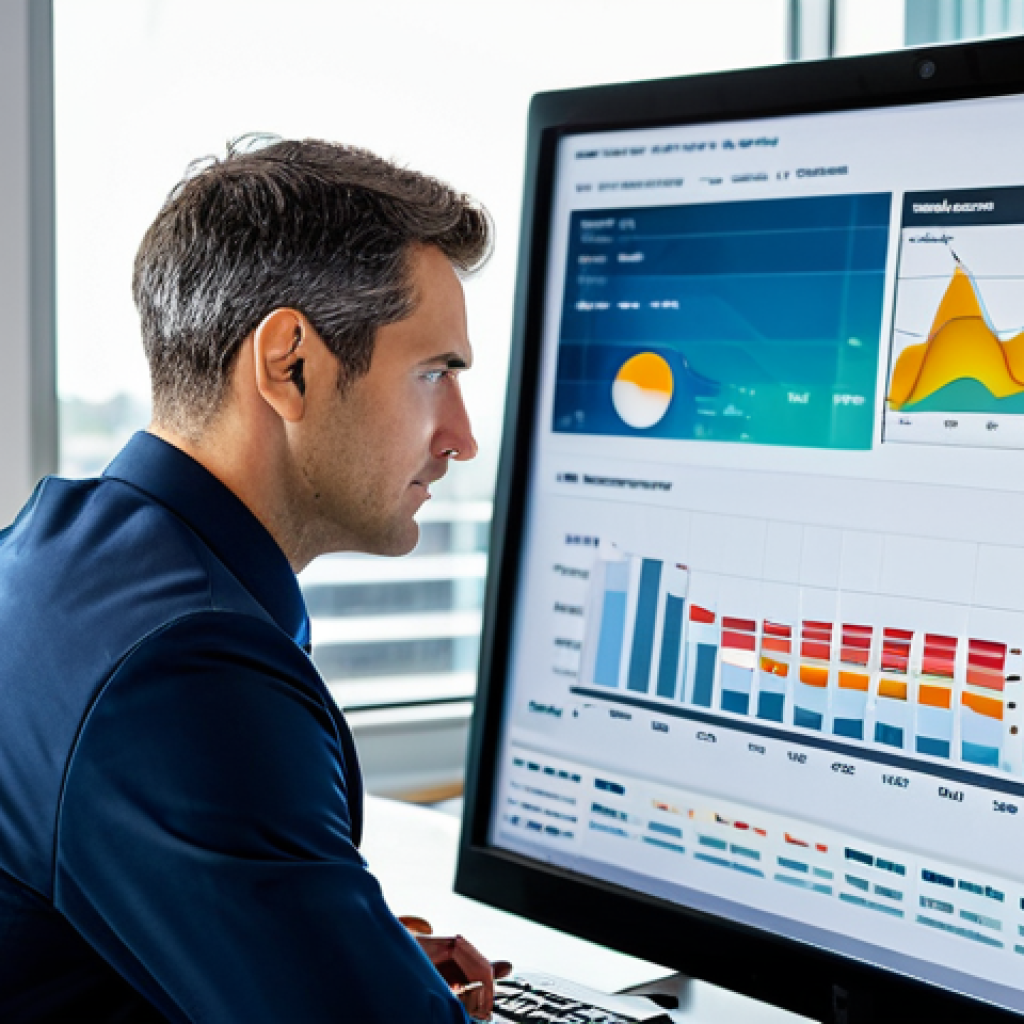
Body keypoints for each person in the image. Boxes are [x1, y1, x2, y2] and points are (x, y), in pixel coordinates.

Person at [0, 137, 509, 1022]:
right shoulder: (186, 671)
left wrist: (320, 947)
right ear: (290, 364)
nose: (462, 437)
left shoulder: (48, 560)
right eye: (434, 374)